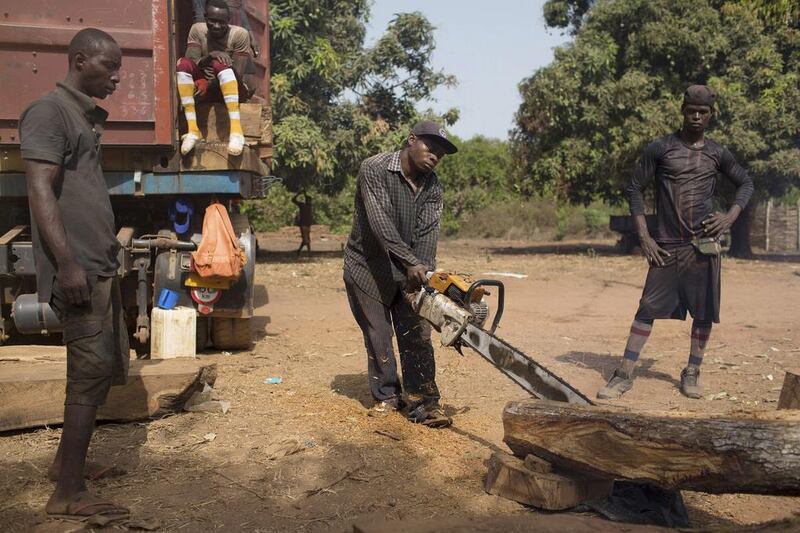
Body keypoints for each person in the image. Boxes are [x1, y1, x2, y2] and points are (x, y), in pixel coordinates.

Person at [19, 28, 130, 519]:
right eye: (109, 66)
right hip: (78, 269)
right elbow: (39, 190)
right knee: (87, 373)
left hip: (96, 264)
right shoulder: (48, 112)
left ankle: (67, 464)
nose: (116, 76)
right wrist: (66, 264)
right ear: (81, 60)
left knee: (103, 365)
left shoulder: (78, 115)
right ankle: (66, 494)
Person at [597, 85, 754, 400]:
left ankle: (692, 371)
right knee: (646, 309)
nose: (696, 117)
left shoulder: (717, 153)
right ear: (682, 111)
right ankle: (624, 374)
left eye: (703, 112)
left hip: (704, 245)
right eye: (691, 111)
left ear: (710, 115)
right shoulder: (661, 148)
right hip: (667, 245)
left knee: (704, 312)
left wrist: (729, 218)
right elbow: (634, 189)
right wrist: (644, 237)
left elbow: (746, 183)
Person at [343, 120, 458, 428]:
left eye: (440, 155)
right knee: (379, 335)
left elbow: (427, 236)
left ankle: (423, 401)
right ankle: (386, 397)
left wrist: (422, 276)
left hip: (407, 270)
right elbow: (380, 222)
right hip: (367, 267)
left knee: (417, 333)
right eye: (430, 148)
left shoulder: (432, 187)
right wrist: (411, 262)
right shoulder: (375, 168)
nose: (434, 157)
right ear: (411, 140)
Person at [177, 0, 254, 156]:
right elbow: (191, 64)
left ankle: (236, 133)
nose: (217, 26)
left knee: (220, 64)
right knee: (182, 64)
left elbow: (237, 74)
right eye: (212, 21)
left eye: (221, 22)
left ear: (228, 21)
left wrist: (217, 64)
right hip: (207, 86)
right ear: (205, 18)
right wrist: (209, 57)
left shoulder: (239, 35)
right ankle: (193, 131)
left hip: (233, 90)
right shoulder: (197, 30)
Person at [192, 0, 261, 58]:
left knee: (240, 68)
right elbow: (199, 13)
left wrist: (252, 38)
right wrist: (202, 39)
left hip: (236, 32)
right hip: (216, 35)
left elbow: (240, 10)